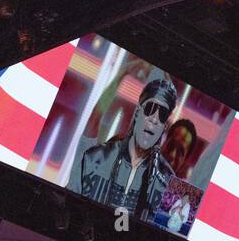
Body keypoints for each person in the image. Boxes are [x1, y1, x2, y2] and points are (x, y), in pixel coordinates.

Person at [69, 77, 178, 222]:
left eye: (162, 114)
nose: (154, 119)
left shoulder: (168, 184)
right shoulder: (96, 158)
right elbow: (68, 207)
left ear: (165, 127)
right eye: (150, 108)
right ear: (138, 113)